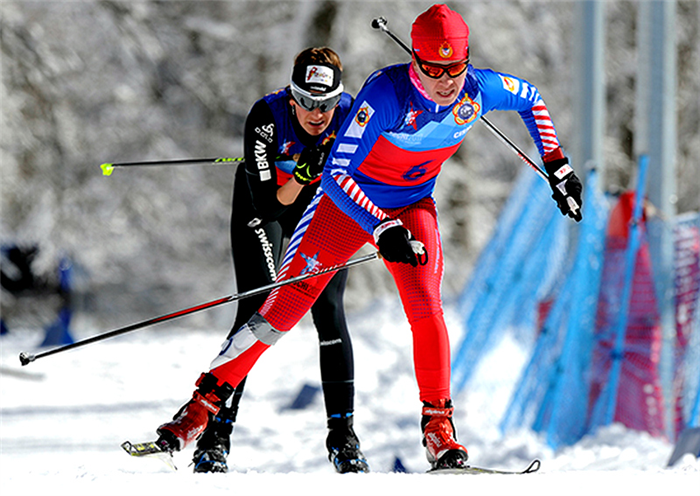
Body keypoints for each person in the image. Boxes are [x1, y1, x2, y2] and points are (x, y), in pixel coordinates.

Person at [152, 4, 583, 470]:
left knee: (426, 304)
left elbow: (532, 99)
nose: (445, 81)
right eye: (432, 69)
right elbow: (336, 175)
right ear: (415, 61)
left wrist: (558, 166)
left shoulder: (478, 90)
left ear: (467, 62)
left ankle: (439, 429)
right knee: (281, 310)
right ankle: (199, 409)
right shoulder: (386, 95)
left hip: (412, 206)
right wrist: (379, 224)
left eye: (454, 69)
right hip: (345, 208)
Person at [188, 47, 369, 474]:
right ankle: (215, 439)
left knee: (328, 309)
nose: (316, 113)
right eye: (306, 101)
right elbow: (269, 207)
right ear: (292, 97)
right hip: (268, 198)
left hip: (325, 206)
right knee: (256, 306)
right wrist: (304, 173)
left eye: (325, 104)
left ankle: (343, 438)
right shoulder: (266, 117)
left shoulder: (354, 116)